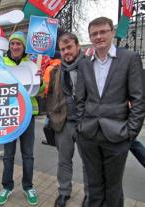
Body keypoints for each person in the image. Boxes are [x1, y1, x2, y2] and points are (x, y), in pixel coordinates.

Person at [76, 17, 145, 207]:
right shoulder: (84, 64)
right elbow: (79, 99)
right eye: (94, 34)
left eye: (102, 31)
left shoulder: (129, 59)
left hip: (118, 136)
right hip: (89, 135)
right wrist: (81, 127)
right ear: (90, 37)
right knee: (94, 185)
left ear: (112, 32)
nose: (98, 37)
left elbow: (139, 100)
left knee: (113, 188)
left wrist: (130, 133)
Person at [45, 32, 89, 207]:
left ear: (78, 46)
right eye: (63, 49)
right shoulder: (56, 70)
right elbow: (49, 95)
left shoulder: (89, 67)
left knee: (88, 163)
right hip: (63, 124)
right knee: (64, 161)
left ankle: (89, 194)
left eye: (69, 47)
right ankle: (64, 193)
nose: (66, 52)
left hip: (86, 123)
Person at [0, 31, 39, 206]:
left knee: (28, 155)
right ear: (9, 46)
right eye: (12, 43)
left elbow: (40, 91)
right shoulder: (1, 63)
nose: (15, 46)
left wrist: (40, 82)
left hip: (28, 116)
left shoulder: (32, 64)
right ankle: (7, 186)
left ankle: (28, 186)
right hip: (10, 116)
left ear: (23, 47)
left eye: (18, 44)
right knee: (8, 155)